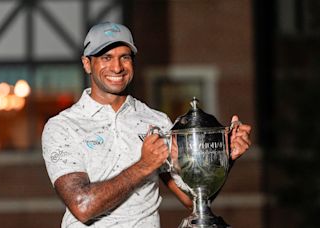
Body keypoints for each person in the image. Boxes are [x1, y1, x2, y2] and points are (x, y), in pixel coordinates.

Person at [42, 21, 252, 227]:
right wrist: (144, 165)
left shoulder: (156, 121)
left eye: (124, 57)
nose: (117, 67)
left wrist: (221, 157)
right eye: (106, 57)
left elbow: (191, 199)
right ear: (87, 64)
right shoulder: (62, 126)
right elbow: (82, 206)